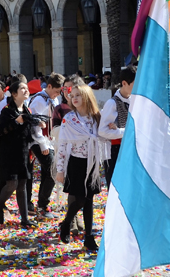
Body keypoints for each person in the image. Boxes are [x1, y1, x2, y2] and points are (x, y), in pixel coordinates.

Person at [55, 83, 115, 251]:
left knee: (89, 201)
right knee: (79, 199)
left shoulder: (97, 117)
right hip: (76, 163)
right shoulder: (69, 119)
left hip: (93, 163)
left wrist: (113, 128)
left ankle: (89, 237)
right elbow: (63, 144)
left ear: (87, 97)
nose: (74, 98)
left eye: (78, 95)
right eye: (72, 95)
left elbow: (104, 135)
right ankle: (66, 223)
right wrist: (60, 170)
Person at [0, 80, 41, 228]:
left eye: (27, 89)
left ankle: (25, 219)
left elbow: (30, 132)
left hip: (24, 151)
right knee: (12, 183)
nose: (26, 91)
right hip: (8, 152)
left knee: (22, 185)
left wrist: (38, 124)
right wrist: (16, 122)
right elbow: (1, 131)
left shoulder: (27, 110)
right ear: (14, 94)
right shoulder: (7, 110)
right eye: (22, 89)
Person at [26, 73, 63, 219]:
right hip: (37, 140)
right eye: (56, 91)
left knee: (47, 172)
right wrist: (42, 144)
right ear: (48, 86)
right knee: (52, 171)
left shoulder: (53, 99)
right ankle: (42, 206)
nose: (57, 94)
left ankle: (42, 205)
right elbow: (34, 124)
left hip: (49, 140)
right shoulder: (39, 100)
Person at [98, 66, 136, 186]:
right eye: (135, 84)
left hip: (130, 148)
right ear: (124, 83)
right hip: (114, 151)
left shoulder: (134, 101)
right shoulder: (112, 103)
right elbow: (102, 131)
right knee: (116, 186)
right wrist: (125, 131)